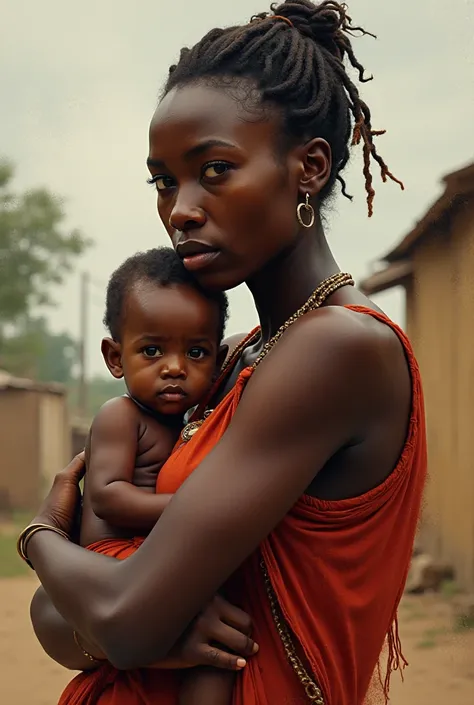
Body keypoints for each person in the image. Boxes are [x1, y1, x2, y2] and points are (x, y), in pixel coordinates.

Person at [21, 2, 427, 704]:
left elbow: (118, 617)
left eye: (213, 170)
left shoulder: (335, 349)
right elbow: (61, 619)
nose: (179, 208)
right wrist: (109, 611)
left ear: (309, 168)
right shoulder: (237, 358)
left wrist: (38, 537)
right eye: (163, 180)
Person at [66, 246, 234, 705]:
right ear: (115, 357)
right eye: (153, 350)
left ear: (217, 360)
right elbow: (108, 497)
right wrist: (193, 512)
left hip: (150, 555)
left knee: (219, 651)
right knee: (206, 638)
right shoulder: (120, 416)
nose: (175, 367)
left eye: (195, 352)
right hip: (113, 558)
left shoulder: (191, 421)